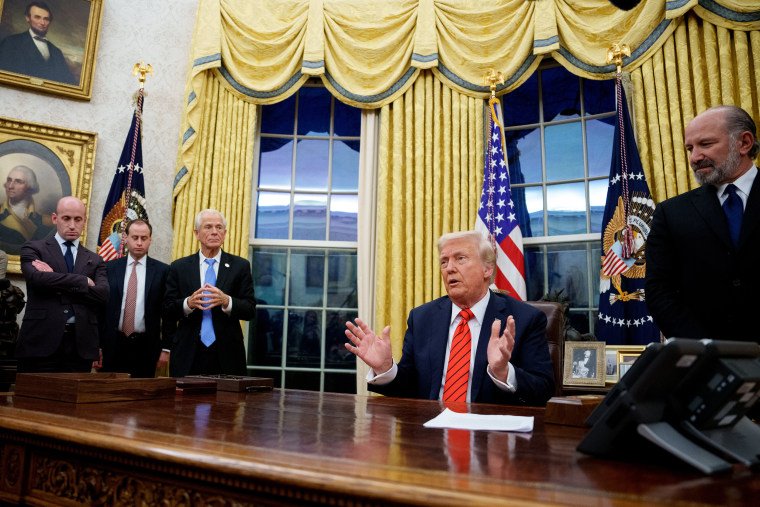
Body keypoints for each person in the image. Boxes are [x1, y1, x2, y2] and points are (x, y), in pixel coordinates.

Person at [344, 230, 554, 406]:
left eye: (460, 259)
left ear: (487, 269)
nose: (449, 268)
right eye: (444, 262)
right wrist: (385, 368)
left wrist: (503, 371)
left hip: (492, 440)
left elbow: (544, 390)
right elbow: (410, 387)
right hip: (430, 435)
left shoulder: (524, 319)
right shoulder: (422, 318)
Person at [646, 105, 760, 342]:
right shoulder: (670, 213)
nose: (694, 157)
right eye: (690, 148)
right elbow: (660, 291)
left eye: (705, 144)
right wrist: (704, 348)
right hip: (706, 364)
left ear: (744, 143)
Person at [15, 196, 108, 372]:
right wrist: (83, 281)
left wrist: (53, 279)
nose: (72, 225)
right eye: (66, 218)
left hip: (80, 346)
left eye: (78, 219)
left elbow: (102, 294)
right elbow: (37, 279)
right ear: (55, 218)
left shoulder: (95, 259)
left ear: (84, 221)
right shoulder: (34, 248)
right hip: (39, 341)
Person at [164, 209, 256, 377]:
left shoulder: (240, 266)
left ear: (225, 233)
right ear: (196, 233)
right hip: (188, 351)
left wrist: (227, 301)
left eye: (219, 227)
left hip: (227, 352)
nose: (214, 232)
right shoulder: (179, 267)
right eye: (208, 227)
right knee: (184, 403)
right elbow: (167, 309)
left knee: (227, 403)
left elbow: (250, 309)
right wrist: (188, 304)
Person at [101, 219, 172, 378]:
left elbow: (168, 313)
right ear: (125, 238)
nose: (139, 242)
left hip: (146, 346)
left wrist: (166, 348)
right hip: (112, 345)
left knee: (142, 397)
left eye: (144, 238)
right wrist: (97, 346)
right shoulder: (109, 268)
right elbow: (101, 309)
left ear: (150, 240)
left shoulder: (163, 271)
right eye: (135, 237)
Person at [0, 2, 76, 84]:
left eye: (46, 19)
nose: (42, 23)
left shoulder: (57, 52)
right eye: (37, 17)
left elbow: (69, 83)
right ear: (27, 18)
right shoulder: (11, 42)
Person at [0, 165, 54, 249]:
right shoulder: (2, 215)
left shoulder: (45, 221)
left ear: (30, 187)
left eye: (18, 181)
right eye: (9, 180)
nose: (10, 186)